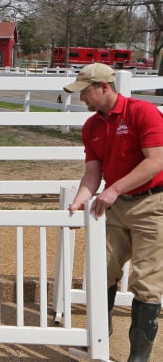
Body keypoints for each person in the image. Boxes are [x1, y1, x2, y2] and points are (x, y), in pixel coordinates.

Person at [65, 63, 162, 361]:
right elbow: (93, 172)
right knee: (102, 270)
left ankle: (138, 357)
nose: (83, 100)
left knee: (146, 280)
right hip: (115, 206)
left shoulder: (142, 112)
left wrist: (114, 189)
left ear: (103, 87)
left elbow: (156, 160)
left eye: (86, 93)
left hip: (152, 204)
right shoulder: (91, 126)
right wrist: (80, 200)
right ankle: (99, 341)